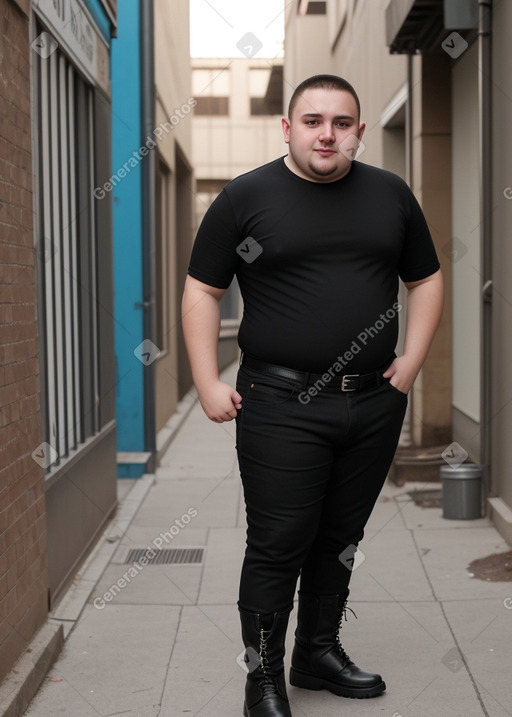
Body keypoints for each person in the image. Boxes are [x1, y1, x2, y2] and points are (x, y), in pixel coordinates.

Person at [182, 74, 443, 717]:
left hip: (373, 400)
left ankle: (316, 653)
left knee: (341, 535)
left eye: (342, 122)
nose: (327, 133)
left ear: (357, 129)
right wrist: (206, 379)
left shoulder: (390, 195)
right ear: (288, 127)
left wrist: (411, 360)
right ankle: (263, 676)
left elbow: (428, 279)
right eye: (313, 120)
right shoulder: (247, 198)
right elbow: (202, 291)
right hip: (279, 401)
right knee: (279, 539)